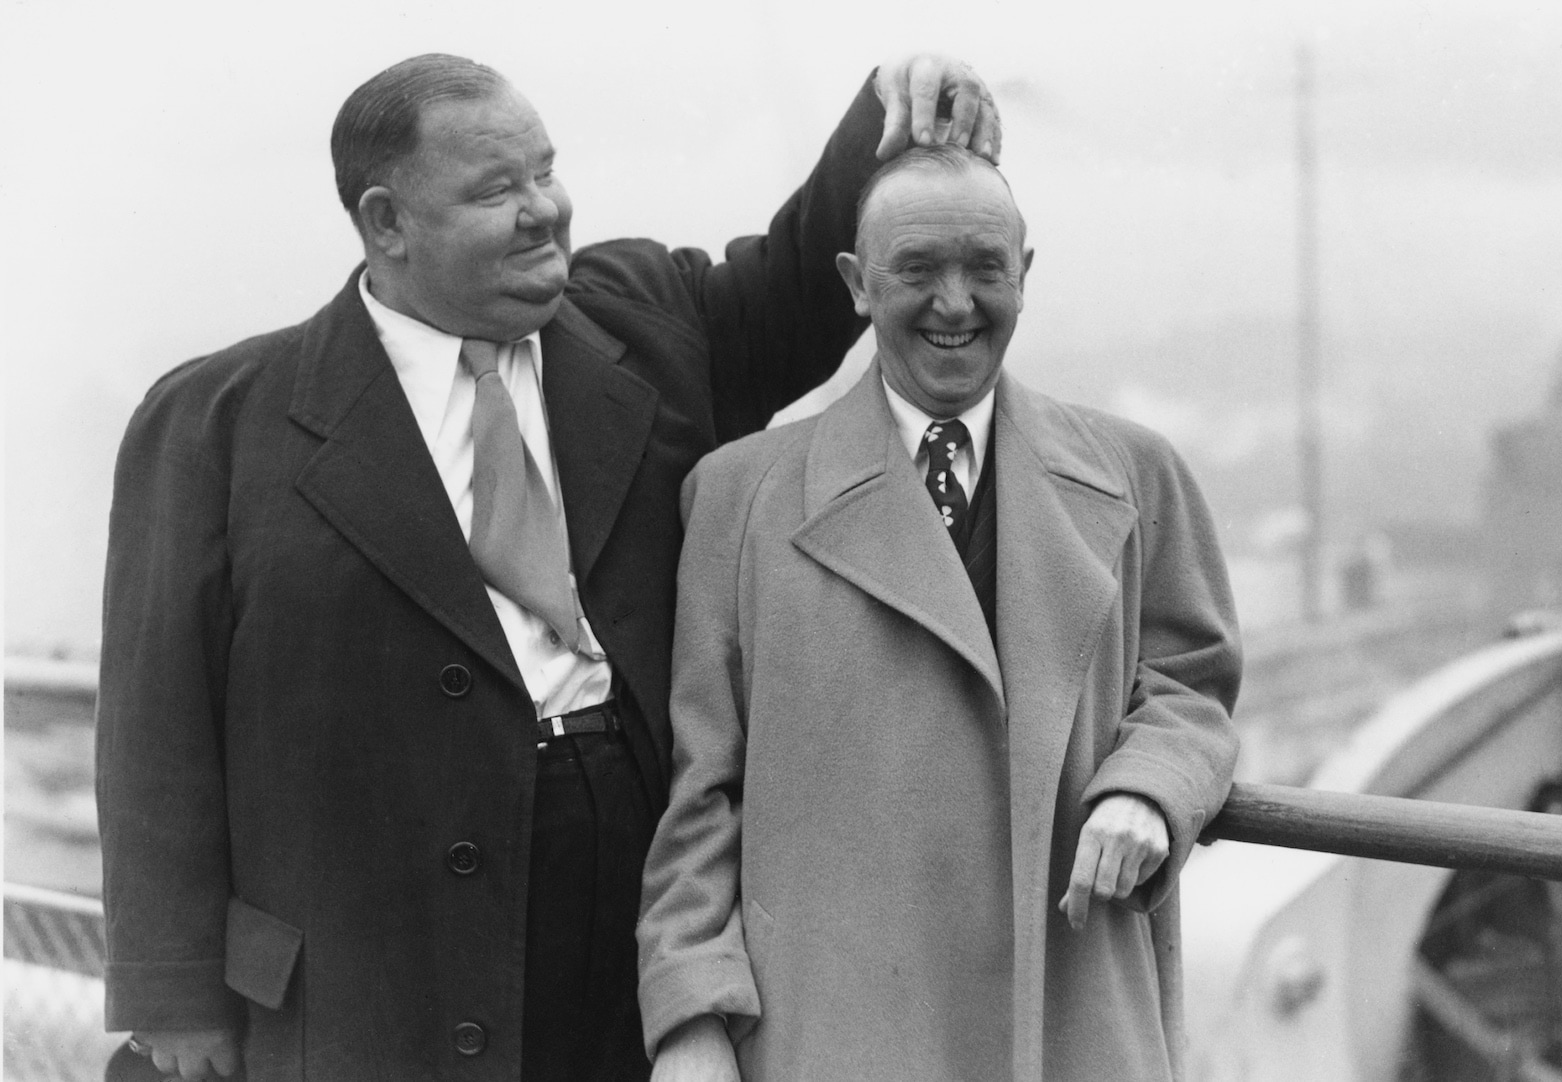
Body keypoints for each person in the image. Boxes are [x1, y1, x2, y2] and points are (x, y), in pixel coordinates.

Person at [96, 51, 1000, 1082]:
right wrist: (170, 989)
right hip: (372, 965)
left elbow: (800, 283)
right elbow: (153, 727)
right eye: (497, 189)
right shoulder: (216, 423)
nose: (546, 209)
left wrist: (890, 111)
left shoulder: (647, 317)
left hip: (632, 916)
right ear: (387, 222)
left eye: (545, 170)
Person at [639, 144, 1241, 1082]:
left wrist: (1150, 785)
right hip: (830, 1024)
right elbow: (701, 791)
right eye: (916, 270)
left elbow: (1192, 682)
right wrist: (691, 1019)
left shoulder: (1138, 473)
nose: (955, 303)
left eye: (985, 268)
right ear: (855, 284)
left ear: (1025, 276)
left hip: (1072, 1007)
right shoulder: (739, 496)